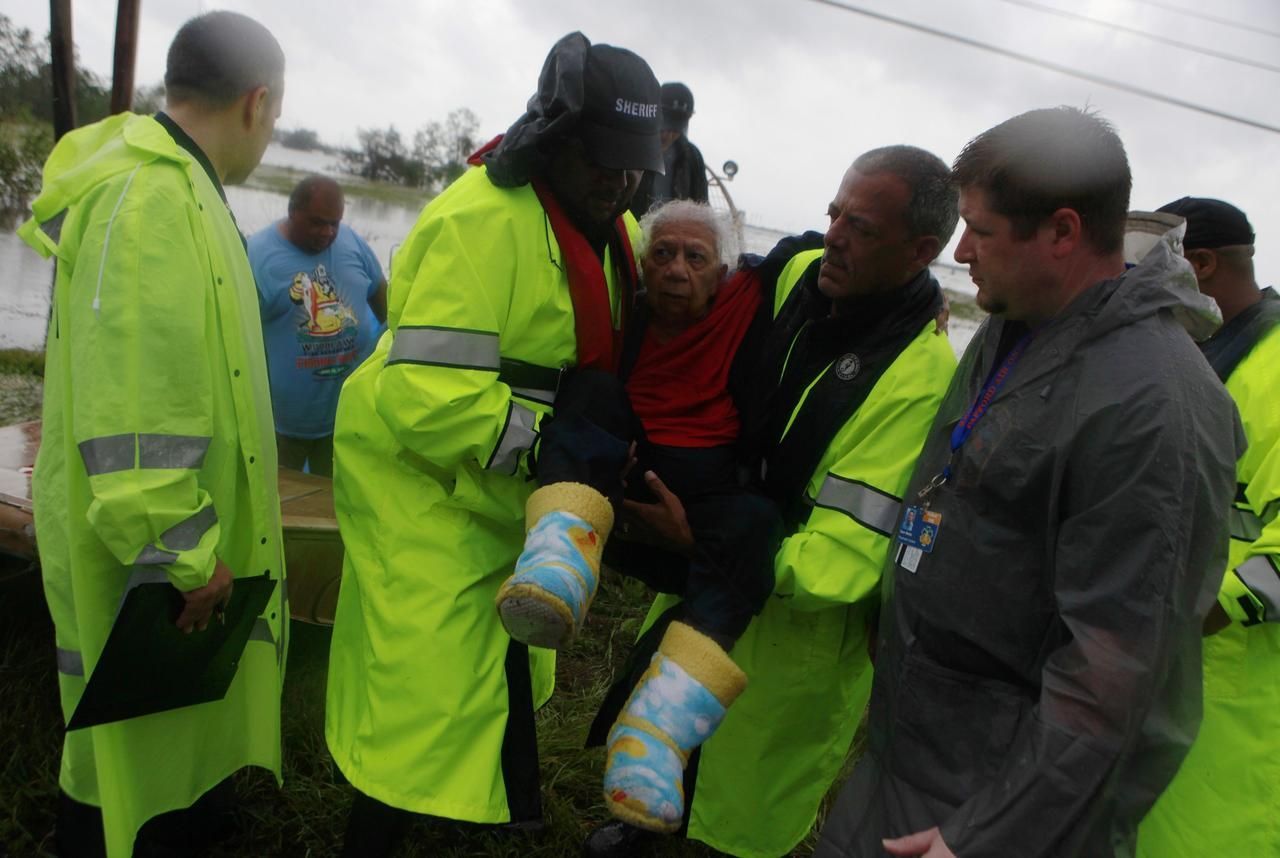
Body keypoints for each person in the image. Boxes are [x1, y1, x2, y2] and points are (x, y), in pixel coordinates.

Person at [815, 107, 1242, 858]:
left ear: (1063, 232)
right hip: (912, 756)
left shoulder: (1154, 406)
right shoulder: (1018, 321)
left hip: (994, 808)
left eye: (979, 228)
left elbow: (1117, 673)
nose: (959, 248)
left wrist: (987, 836)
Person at [323, 31, 662, 857]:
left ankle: (445, 823)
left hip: (501, 503)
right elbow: (427, 400)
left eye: (633, 167)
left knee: (482, 689)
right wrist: (556, 452)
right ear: (554, 138)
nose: (619, 183)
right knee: (416, 705)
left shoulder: (609, 226)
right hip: (428, 500)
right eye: (601, 162)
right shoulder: (477, 222)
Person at [585, 145, 960, 858]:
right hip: (717, 582)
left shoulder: (920, 375)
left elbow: (845, 558)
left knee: (741, 813)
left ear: (922, 252)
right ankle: (645, 835)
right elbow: (727, 264)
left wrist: (698, 543)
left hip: (797, 637)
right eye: (834, 213)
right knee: (670, 758)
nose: (838, 236)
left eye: (863, 228)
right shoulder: (799, 277)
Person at [16, 12, 287, 858]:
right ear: (257, 103)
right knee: (116, 764)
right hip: (152, 555)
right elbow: (137, 409)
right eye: (274, 119)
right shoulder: (152, 202)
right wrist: (183, 549)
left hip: (171, 551)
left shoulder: (178, 189)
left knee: (153, 752)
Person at [1135, 198, 1280, 857]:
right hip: (1161, 681)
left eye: (1160, 267)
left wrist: (1168, 615)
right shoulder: (1207, 357)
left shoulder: (1271, 371)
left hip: (1236, 705)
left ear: (1200, 265)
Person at [248, 175, 387, 476]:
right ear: (292, 211)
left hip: (344, 417)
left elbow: (378, 288)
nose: (327, 233)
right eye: (316, 222)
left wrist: (390, 332)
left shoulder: (352, 242)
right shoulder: (257, 254)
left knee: (336, 502)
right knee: (281, 502)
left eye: (334, 223)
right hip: (281, 422)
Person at [630, 82, 709, 218]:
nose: (667, 134)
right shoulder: (632, 147)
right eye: (664, 124)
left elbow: (702, 209)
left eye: (675, 129)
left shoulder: (692, 157)